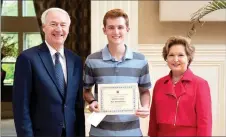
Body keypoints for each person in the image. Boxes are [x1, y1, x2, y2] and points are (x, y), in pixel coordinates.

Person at [12, 8, 85, 137]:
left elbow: (77, 105)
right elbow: (21, 107)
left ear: (68, 28)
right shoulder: (28, 58)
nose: (59, 29)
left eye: (63, 25)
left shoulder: (76, 61)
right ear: (44, 27)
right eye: (53, 24)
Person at [83, 8, 151, 136]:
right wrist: (92, 102)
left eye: (120, 27)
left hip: (132, 133)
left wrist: (145, 107)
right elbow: (85, 90)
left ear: (127, 29)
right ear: (104, 30)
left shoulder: (140, 60)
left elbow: (145, 91)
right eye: (111, 27)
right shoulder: (92, 60)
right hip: (100, 133)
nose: (116, 32)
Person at [148, 36, 212, 136]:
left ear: (188, 57)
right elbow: (153, 117)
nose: (175, 59)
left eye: (181, 55)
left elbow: (205, 121)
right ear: (166, 57)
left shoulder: (200, 84)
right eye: (171, 55)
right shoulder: (159, 83)